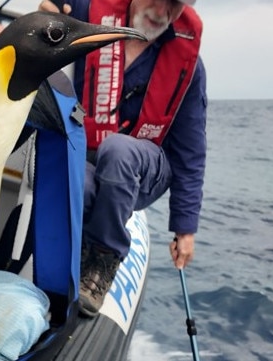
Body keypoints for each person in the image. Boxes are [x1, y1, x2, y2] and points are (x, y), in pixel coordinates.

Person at [37, 0, 207, 317]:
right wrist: (45, 15)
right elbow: (52, 9)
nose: (163, 12)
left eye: (176, 5)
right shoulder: (88, 12)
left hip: (145, 168)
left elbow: (190, 150)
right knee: (80, 186)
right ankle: (66, 262)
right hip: (87, 155)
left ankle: (105, 258)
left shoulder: (190, 66)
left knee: (119, 149)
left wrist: (185, 229)